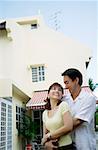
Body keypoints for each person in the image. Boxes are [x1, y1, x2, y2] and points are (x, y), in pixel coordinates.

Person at [62, 68, 96, 150]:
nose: (65, 86)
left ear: (76, 80)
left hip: (85, 145)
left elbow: (78, 121)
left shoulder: (89, 98)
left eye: (67, 82)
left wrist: (53, 134)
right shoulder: (64, 100)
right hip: (68, 145)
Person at [41, 82, 75, 150]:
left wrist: (49, 136)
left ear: (61, 95)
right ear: (48, 95)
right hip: (52, 147)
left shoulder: (63, 105)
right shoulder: (44, 113)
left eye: (59, 90)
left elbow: (68, 127)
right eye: (54, 89)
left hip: (66, 147)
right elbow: (45, 134)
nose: (57, 91)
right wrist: (46, 144)